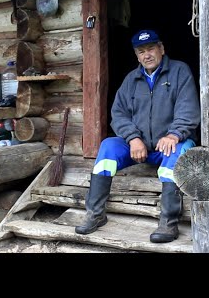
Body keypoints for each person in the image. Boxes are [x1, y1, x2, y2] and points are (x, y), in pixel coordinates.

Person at [75, 29, 201, 243]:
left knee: (177, 151)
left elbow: (188, 109)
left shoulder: (180, 71)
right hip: (140, 146)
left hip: (171, 144)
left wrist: (173, 134)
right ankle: (95, 214)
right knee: (108, 146)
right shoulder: (131, 80)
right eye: (141, 51)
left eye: (151, 48)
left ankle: (168, 223)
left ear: (161, 48)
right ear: (136, 55)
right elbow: (118, 114)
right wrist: (133, 138)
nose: (146, 55)